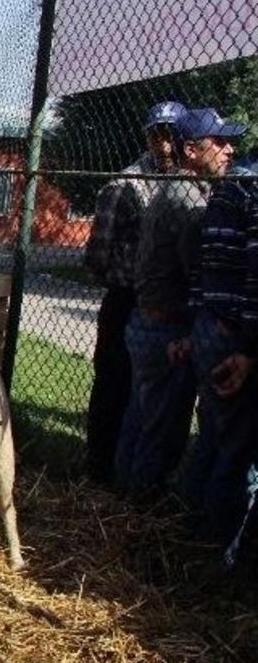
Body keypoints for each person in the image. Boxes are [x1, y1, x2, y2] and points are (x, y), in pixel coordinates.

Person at [116, 107, 241, 499]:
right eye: (218, 142)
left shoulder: (173, 187)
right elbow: (199, 274)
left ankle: (123, 498)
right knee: (162, 433)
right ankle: (140, 513)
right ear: (191, 150)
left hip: (146, 320)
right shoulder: (191, 202)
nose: (229, 150)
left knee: (142, 418)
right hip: (164, 328)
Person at [83, 101, 184, 486]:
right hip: (125, 297)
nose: (165, 143)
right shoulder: (126, 183)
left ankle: (140, 474)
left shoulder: (186, 180)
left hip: (166, 302)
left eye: (172, 134)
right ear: (147, 136)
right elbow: (97, 252)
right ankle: (99, 467)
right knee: (113, 382)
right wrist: (125, 274)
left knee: (151, 394)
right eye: (158, 134)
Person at [186, 131, 254, 546]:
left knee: (212, 436)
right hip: (229, 332)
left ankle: (189, 532)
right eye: (222, 140)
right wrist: (247, 343)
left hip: (212, 324)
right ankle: (214, 547)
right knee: (232, 447)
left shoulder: (226, 191)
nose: (231, 149)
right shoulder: (244, 189)